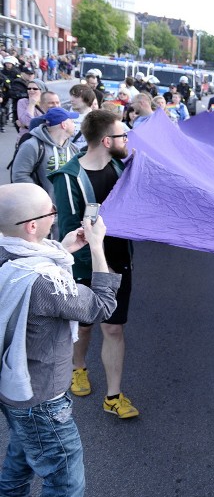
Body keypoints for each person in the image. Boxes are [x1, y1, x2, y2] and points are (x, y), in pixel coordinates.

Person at [0, 182, 121, 497]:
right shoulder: (42, 282)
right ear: (31, 227)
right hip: (42, 400)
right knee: (66, 484)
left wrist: (65, 248)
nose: (56, 214)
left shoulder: (12, 257)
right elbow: (101, 306)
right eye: (50, 211)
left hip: (13, 389)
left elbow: (37, 263)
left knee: (19, 466)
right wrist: (98, 247)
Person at [49, 110, 139, 419]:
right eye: (122, 136)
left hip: (119, 261)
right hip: (86, 266)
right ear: (105, 140)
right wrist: (99, 266)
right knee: (84, 327)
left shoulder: (121, 167)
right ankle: (78, 367)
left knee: (113, 328)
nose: (126, 140)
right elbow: (69, 232)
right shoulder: (69, 177)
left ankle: (113, 396)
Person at [11, 107, 83, 206]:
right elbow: (19, 175)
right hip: (42, 210)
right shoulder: (32, 146)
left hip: (67, 209)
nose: (74, 124)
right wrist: (41, 198)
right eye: (71, 121)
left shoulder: (73, 148)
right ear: (64, 125)